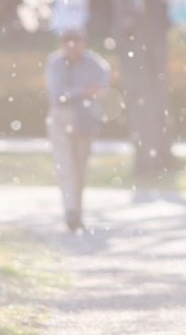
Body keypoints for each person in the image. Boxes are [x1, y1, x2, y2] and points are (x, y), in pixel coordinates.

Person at [45, 27, 110, 232]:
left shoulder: (95, 64)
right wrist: (84, 91)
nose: (72, 47)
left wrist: (82, 93)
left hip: (86, 120)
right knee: (65, 164)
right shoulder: (55, 63)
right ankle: (70, 209)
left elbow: (102, 89)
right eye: (68, 42)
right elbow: (58, 93)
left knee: (80, 168)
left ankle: (77, 210)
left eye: (77, 42)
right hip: (62, 118)